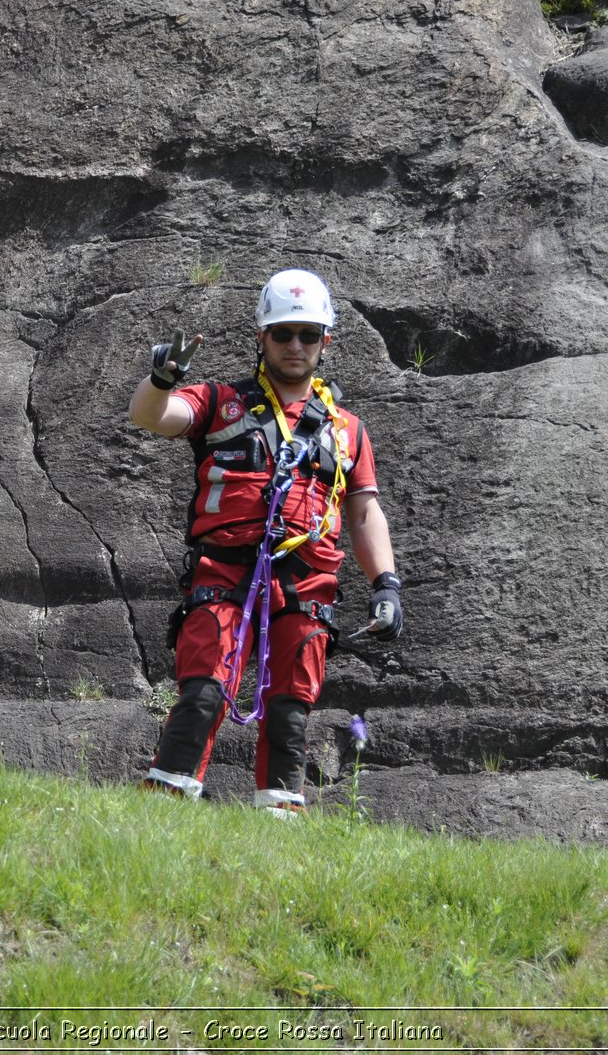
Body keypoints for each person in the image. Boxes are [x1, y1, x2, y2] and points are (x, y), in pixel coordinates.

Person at [128, 268, 402, 814]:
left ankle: (279, 816)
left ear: (327, 340)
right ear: (262, 338)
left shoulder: (347, 429)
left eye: (308, 334)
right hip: (225, 571)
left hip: (308, 581)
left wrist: (386, 585)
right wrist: (161, 378)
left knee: (290, 707)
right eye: (282, 333)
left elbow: (364, 510)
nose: (295, 345)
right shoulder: (219, 401)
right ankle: (162, 807)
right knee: (204, 690)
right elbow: (149, 416)